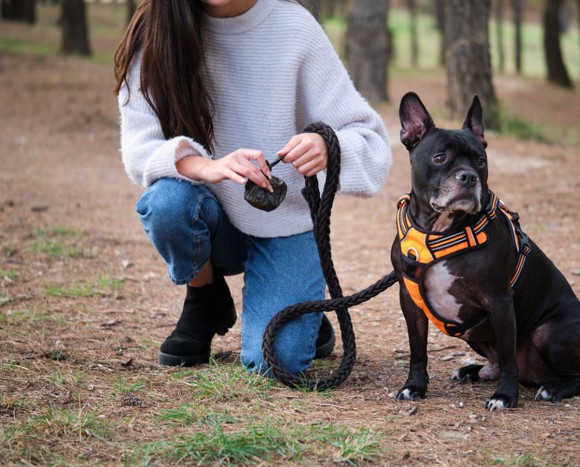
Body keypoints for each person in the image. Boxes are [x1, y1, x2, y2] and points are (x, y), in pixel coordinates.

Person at [113, 0, 391, 375]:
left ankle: (304, 309)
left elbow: (369, 138)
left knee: (277, 363)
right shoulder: (158, 27)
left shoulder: (295, 27)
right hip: (207, 217)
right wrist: (210, 167)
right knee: (166, 205)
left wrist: (327, 146)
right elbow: (139, 147)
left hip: (284, 223)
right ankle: (205, 296)